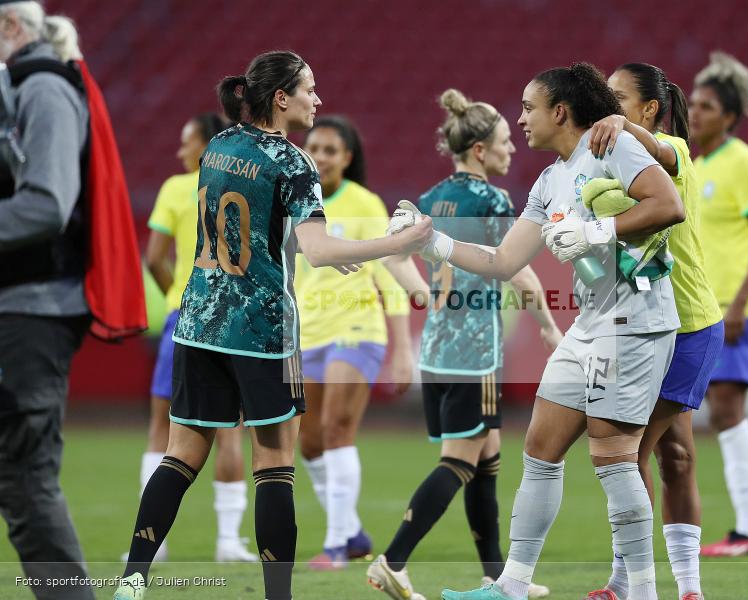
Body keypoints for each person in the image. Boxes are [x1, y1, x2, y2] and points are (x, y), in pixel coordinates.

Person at [113, 50, 432, 600]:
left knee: (181, 453)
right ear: (281, 98)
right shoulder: (293, 162)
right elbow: (316, 248)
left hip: (198, 323)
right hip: (261, 331)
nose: (318, 99)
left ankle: (131, 582)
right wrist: (397, 243)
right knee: (275, 462)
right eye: (310, 89)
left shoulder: (218, 146)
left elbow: (250, 230)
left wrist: (319, 248)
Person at [390, 63, 684, 600]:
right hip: (590, 323)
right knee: (540, 448)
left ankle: (644, 592)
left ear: (560, 112)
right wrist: (432, 242)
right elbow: (503, 260)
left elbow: (670, 205)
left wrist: (595, 229)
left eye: (528, 107)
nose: (520, 118)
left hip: (637, 324)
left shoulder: (612, 149)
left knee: (613, 458)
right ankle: (511, 586)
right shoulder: (549, 180)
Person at [365, 89, 560, 600]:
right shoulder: (493, 200)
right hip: (475, 351)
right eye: (502, 142)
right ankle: (393, 560)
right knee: (460, 460)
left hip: (437, 349)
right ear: (478, 150)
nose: (511, 148)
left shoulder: (429, 200)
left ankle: (498, 578)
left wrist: (424, 294)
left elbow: (390, 257)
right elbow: (514, 269)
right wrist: (546, 325)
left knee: (487, 456)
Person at [1, 4, 144, 599]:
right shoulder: (27, 89)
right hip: (20, 304)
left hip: (33, 310)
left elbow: (47, 204)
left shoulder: (44, 90)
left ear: (11, 28)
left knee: (27, 477)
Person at [583, 63, 725, 600]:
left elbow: (660, 152)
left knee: (636, 452)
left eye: (617, 100)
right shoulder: (606, 164)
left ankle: (647, 585)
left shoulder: (673, 152)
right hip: (639, 326)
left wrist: (624, 128)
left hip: (689, 326)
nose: (607, 110)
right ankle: (661, 585)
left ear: (648, 110)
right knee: (674, 455)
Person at [136, 112, 256, 563]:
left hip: (183, 316)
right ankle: (228, 542)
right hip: (232, 317)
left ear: (205, 145)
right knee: (231, 432)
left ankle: (155, 538)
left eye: (186, 143)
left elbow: (154, 257)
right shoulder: (241, 185)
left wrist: (173, 291)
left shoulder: (176, 187)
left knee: (161, 430)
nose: (180, 151)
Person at [296, 115, 413, 569]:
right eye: (314, 148)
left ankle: (337, 547)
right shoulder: (294, 202)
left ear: (347, 157)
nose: (321, 157)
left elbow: (390, 274)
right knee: (308, 445)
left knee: (336, 431)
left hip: (358, 330)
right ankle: (353, 533)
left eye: (330, 150)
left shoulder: (365, 204)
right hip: (307, 335)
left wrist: (402, 351)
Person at [689, 52, 748, 557]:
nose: (695, 113)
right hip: (705, 308)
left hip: (739, 307)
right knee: (717, 411)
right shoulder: (698, 166)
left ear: (728, 116)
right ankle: (747, 529)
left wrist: (740, 301)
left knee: (726, 407)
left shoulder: (743, 163)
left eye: (705, 106)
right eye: (693, 104)